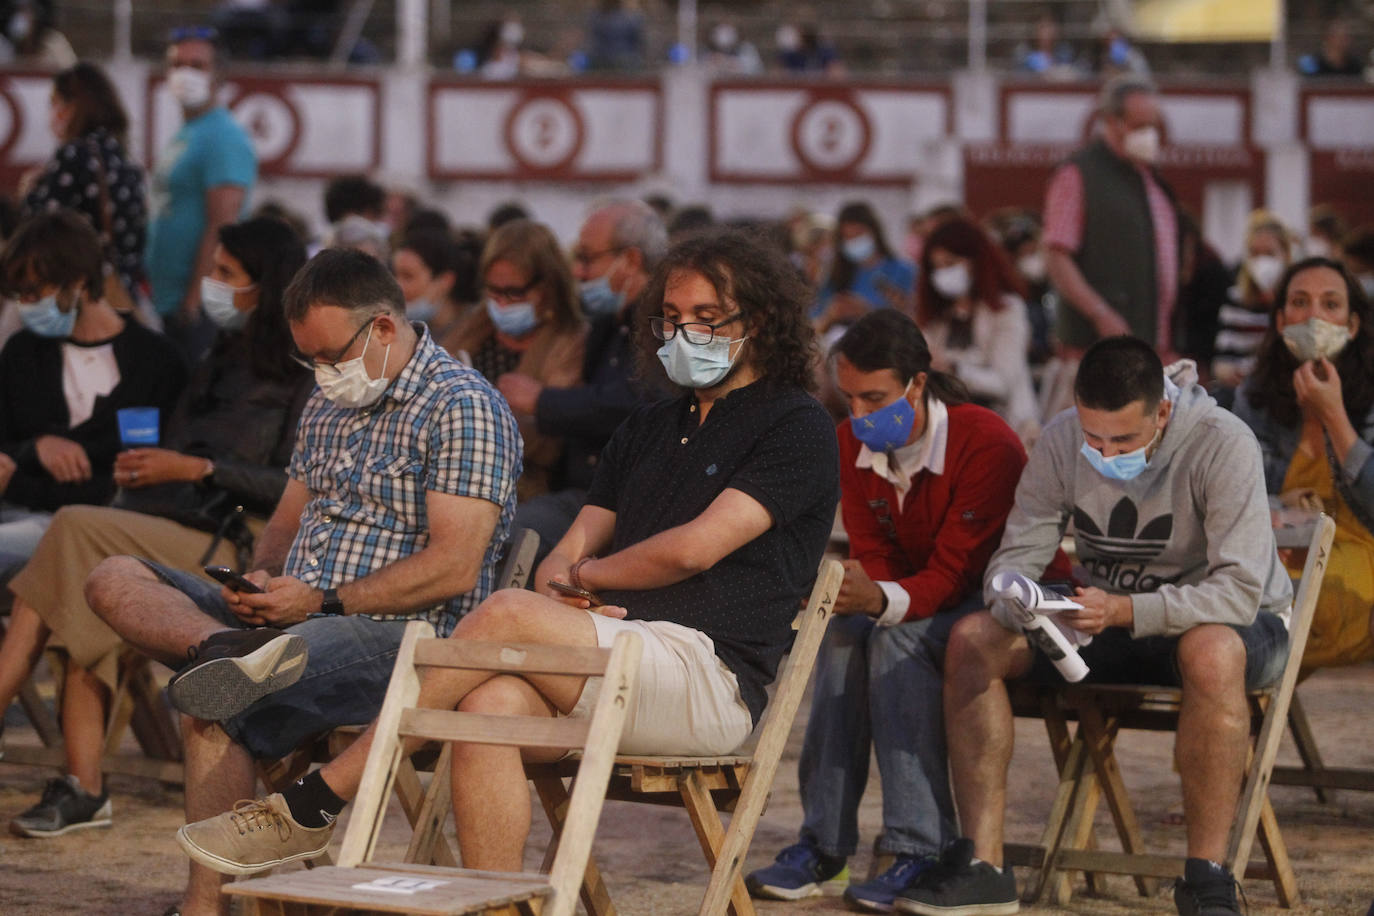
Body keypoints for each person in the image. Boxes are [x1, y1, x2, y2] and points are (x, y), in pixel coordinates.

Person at [171, 228, 841, 890]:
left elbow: (694, 548)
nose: (680, 332)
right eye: (669, 317)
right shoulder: (646, 428)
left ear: (758, 321)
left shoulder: (794, 424)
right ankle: (498, 906)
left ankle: (320, 800)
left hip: (709, 673)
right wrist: (572, 586)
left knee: (508, 611)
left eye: (703, 317)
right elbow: (566, 552)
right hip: (615, 653)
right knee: (488, 702)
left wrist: (582, 580)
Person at [84, 247, 522, 916]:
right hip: (296, 615)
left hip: (400, 635)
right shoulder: (331, 401)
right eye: (310, 360)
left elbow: (455, 566)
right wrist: (261, 578)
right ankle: (221, 649)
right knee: (114, 575)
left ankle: (205, 908)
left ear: (381, 328)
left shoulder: (462, 407)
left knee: (216, 708)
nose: (322, 373)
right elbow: (287, 522)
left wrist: (322, 600)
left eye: (330, 357)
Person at [896, 336, 1292, 916]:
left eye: (1125, 439)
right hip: (1102, 615)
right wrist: (1018, 599)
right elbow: (1017, 555)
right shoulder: (1061, 438)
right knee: (973, 639)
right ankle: (984, 864)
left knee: (1210, 651)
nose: (1106, 453)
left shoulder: (1221, 441)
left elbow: (1237, 592)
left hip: (1228, 622)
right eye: (1094, 437)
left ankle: (1207, 877)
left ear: (1162, 411)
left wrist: (1129, 610)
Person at [746, 309, 1067, 911]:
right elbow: (874, 554)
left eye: (876, 398)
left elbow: (956, 573)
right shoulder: (848, 441)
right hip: (931, 595)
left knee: (893, 637)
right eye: (849, 399)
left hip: (1002, 604)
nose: (861, 414)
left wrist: (882, 599)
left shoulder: (984, 441)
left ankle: (916, 848)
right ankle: (824, 845)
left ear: (917, 384)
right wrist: (862, 595)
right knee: (843, 631)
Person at [0, 216, 310, 838]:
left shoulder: (303, 375)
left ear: (264, 284)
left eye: (225, 273)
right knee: (79, 559)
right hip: (171, 519)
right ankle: (83, 787)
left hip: (241, 539)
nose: (210, 282)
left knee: (74, 532)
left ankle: (85, 785)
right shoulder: (218, 356)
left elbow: (296, 488)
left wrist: (195, 467)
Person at [0, 211, 185, 560]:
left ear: (79, 281)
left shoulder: (157, 362)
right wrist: (36, 447)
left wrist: (26, 483)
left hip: (102, 525)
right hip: (17, 513)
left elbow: (145, 480)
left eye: (34, 292)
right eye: (19, 295)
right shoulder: (22, 352)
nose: (24, 305)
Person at [500, 200, 665, 566]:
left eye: (588, 258)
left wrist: (541, 400)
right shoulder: (607, 322)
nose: (578, 271)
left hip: (623, 501)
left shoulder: (663, 325)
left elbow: (636, 403)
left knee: (516, 536)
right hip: (579, 489)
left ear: (631, 261)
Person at [1233, 258, 1374, 672]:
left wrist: (1334, 416)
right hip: (1279, 552)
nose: (1313, 317)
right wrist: (1279, 501)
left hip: (1359, 557)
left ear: (1351, 325)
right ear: (1281, 320)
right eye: (1300, 302)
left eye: (1330, 305)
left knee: (1289, 604)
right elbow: (1233, 489)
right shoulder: (1255, 396)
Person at [443, 219, 586, 502]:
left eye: (514, 293)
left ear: (547, 285)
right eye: (493, 291)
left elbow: (550, 442)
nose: (501, 304)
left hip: (522, 485)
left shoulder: (570, 341)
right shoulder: (474, 326)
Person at [1043, 77, 1179, 359]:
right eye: (1140, 126)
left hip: (1146, 346)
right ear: (1112, 122)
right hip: (1094, 350)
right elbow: (1057, 255)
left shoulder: (1147, 178)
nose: (1149, 135)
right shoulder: (1079, 175)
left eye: (1152, 125)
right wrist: (1100, 313)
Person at [146, 26, 257, 357]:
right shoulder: (189, 134)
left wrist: (195, 299)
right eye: (178, 64)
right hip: (168, 298)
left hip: (196, 308)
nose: (185, 74)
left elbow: (222, 224)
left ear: (218, 75)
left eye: (197, 65)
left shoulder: (223, 137)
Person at [22, 61, 147, 306]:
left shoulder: (74, 156)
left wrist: (29, 193)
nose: (53, 113)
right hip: (121, 293)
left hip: (79, 295)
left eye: (55, 103)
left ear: (74, 106)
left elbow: (38, 232)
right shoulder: (121, 157)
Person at [916, 218, 1040, 444]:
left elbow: (1003, 383)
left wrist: (952, 368)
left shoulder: (1006, 310)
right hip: (945, 428)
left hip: (1003, 426)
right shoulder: (937, 318)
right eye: (937, 267)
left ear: (976, 261)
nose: (943, 274)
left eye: (950, 263)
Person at [1212, 212, 1293, 388]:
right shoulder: (1235, 298)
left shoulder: (1295, 301)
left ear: (1285, 255)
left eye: (1269, 254)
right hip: (1241, 388)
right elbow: (1221, 358)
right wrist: (1227, 373)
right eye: (1254, 253)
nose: (1261, 261)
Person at [815, 201, 916, 336]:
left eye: (858, 234)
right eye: (847, 237)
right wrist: (831, 315)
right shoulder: (836, 273)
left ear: (874, 231)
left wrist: (867, 312)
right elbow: (815, 326)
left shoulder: (904, 270)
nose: (853, 242)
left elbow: (914, 320)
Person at [390, 228, 479, 336]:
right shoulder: (404, 331)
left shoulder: (477, 330)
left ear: (445, 281)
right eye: (394, 275)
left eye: (408, 276)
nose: (397, 285)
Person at [1299, 19, 1364, 78]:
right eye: (1340, 37)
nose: (1343, 41)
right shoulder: (1315, 63)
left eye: (1347, 37)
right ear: (1328, 38)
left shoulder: (1354, 65)